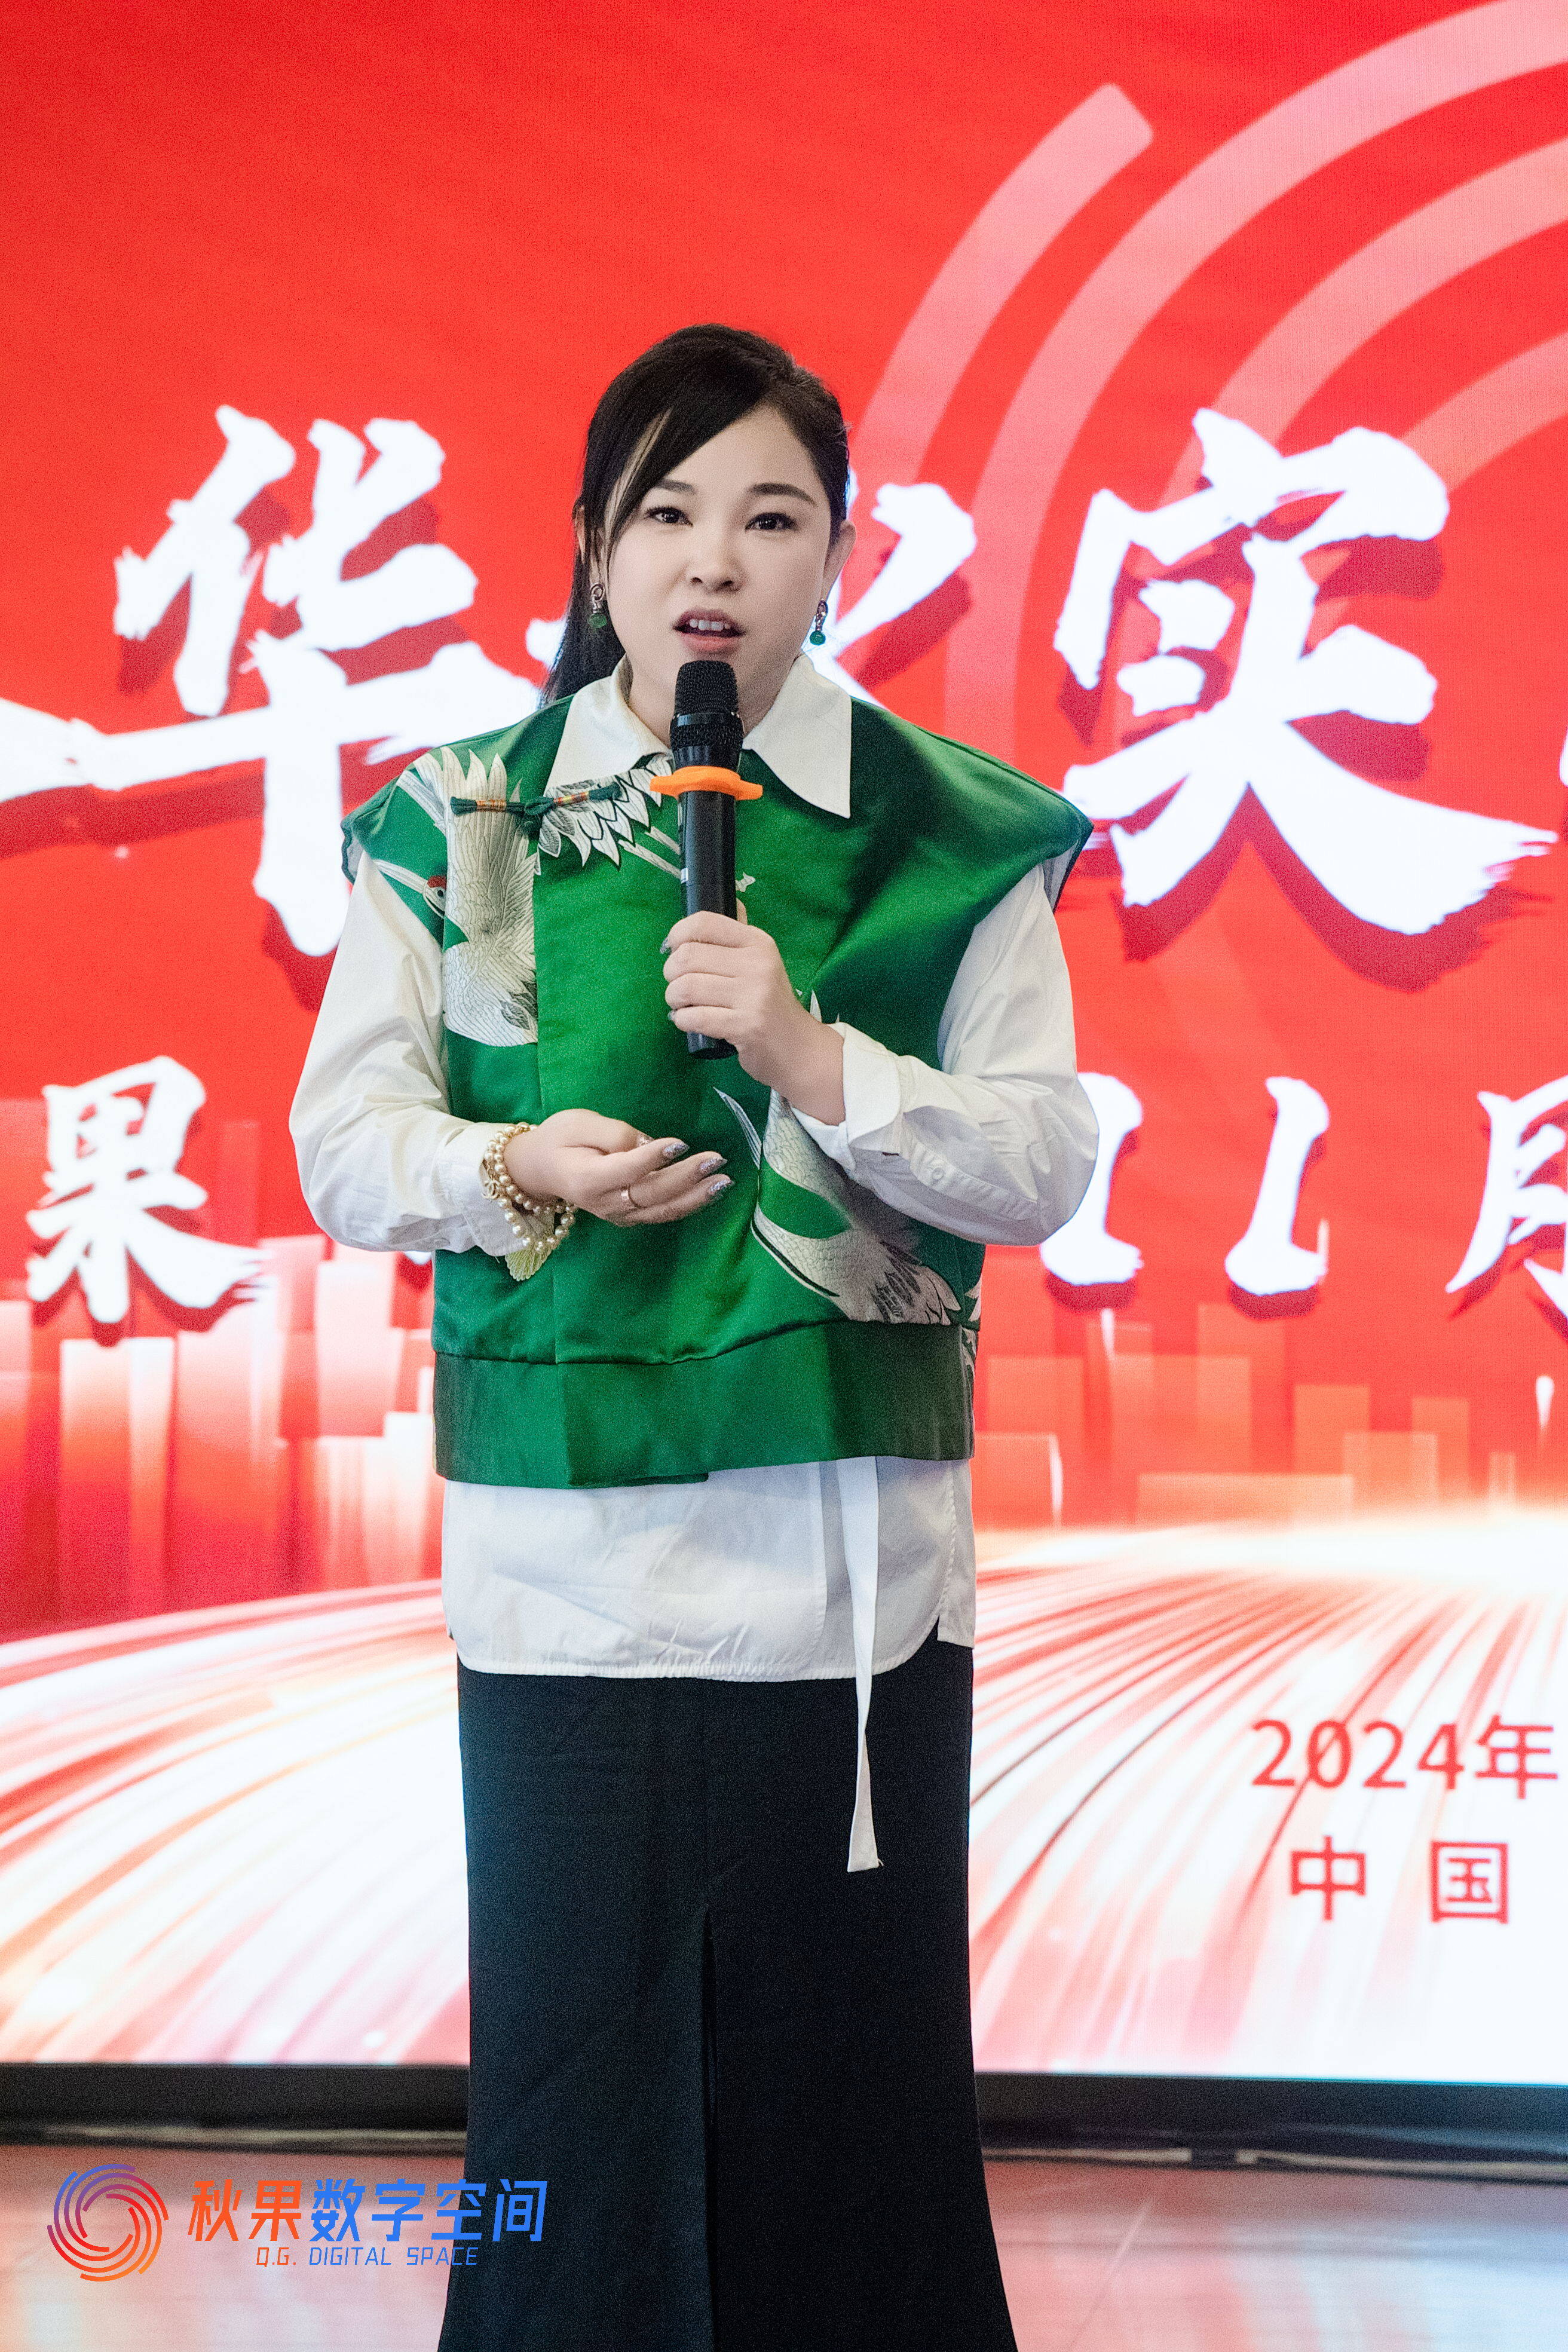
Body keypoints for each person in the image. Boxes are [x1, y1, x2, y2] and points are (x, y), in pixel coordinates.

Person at [292, 323, 1097, 2352]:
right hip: (564, 1578)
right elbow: (344, 1147)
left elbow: (1041, 1161)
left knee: (854, 2130)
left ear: (844, 553)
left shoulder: (949, 830)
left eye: (772, 517)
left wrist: (820, 1060)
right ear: (593, 546)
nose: (715, 562)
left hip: (847, 1596)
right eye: (666, 513)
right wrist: (509, 1161)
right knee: (573, 2122)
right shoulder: (460, 822)